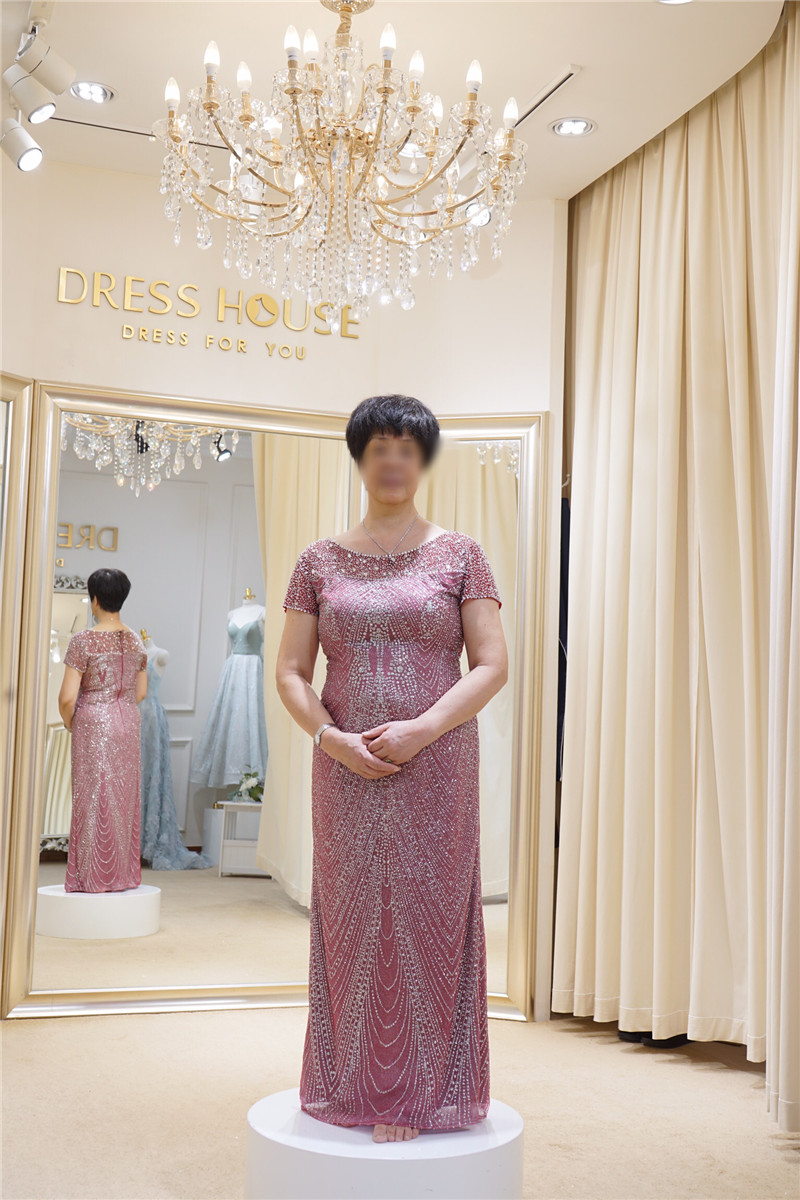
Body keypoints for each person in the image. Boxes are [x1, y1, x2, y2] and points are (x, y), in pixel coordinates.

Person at [276, 394, 508, 1144]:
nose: (393, 461)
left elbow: (493, 664)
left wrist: (425, 728)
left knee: (428, 914)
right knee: (351, 917)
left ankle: (420, 1091)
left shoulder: (461, 554)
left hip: (437, 766)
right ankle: (352, 1083)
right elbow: (290, 671)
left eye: (407, 448)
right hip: (345, 769)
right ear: (360, 457)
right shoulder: (317, 561)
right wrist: (331, 739)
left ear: (423, 460)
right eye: (379, 447)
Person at [57, 568, 148, 893]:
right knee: (122, 799)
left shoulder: (84, 640)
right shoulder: (136, 640)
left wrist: (72, 722)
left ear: (94, 600)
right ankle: (121, 875)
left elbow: (67, 698)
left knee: (93, 799)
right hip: (128, 721)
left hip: (94, 723)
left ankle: (94, 877)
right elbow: (141, 693)